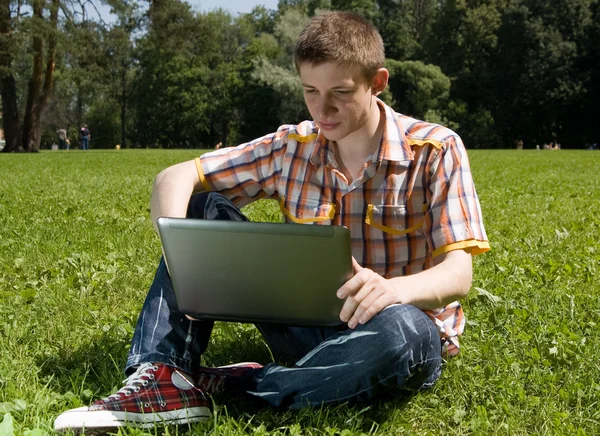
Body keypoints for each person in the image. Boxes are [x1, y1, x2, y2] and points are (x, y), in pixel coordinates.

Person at [54, 11, 489, 433]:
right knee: (199, 207)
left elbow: (459, 273)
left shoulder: (436, 149)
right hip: (303, 324)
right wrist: (181, 251)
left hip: (393, 329)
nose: (323, 109)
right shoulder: (291, 146)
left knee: (404, 336)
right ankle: (162, 374)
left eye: (339, 92)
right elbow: (177, 175)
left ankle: (239, 386)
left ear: (377, 83)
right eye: (310, 91)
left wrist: (394, 290)